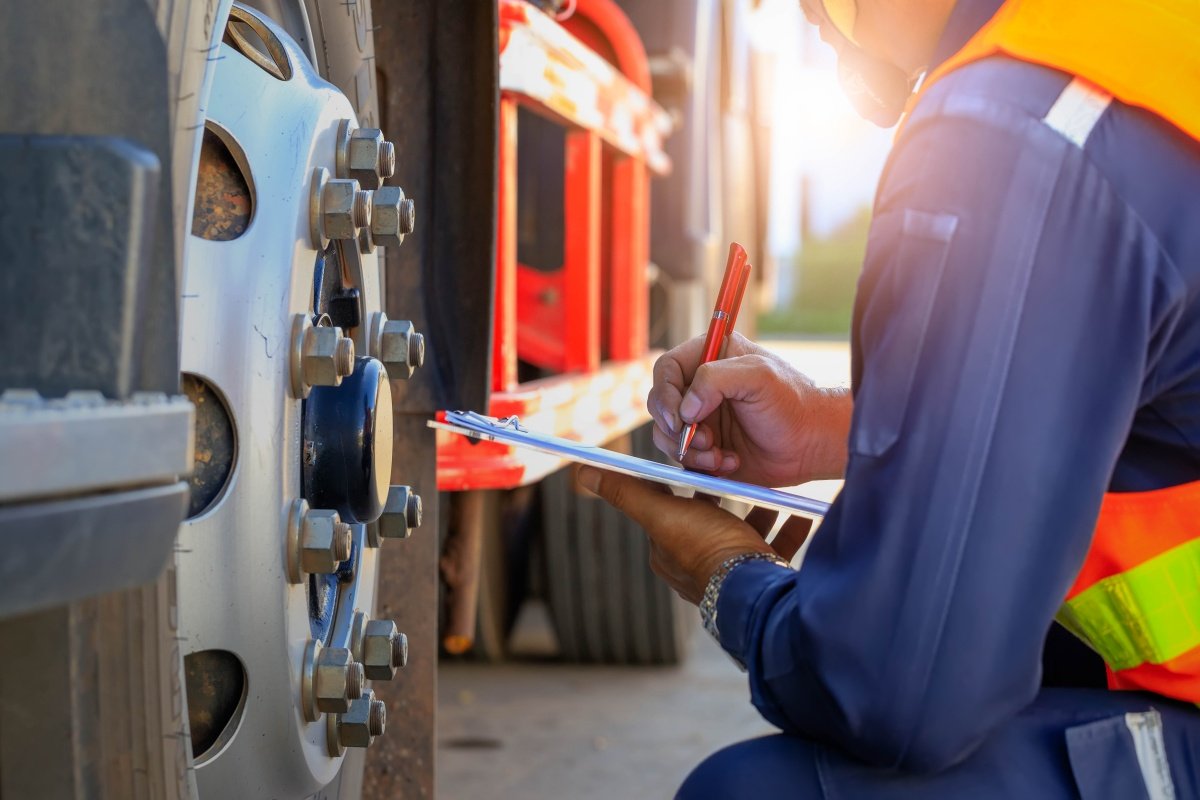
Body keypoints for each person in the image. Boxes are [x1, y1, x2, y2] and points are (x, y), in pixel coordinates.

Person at [577, 0, 1200, 796]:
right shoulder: (1129, 49)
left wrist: (729, 579)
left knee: (750, 794)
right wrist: (834, 428)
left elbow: (901, 695)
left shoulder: (1023, 125)